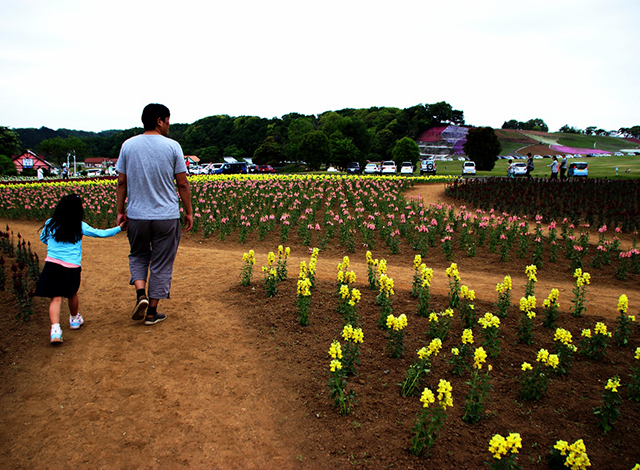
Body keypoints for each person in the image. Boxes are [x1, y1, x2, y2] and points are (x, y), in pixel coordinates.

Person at [116, 103, 193, 326]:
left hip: (137, 215)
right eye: (168, 121)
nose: (169, 125)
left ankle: (141, 294)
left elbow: (122, 182)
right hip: (166, 215)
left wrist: (121, 211)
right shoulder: (172, 147)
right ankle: (152, 312)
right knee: (161, 262)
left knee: (138, 254)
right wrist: (188, 211)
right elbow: (183, 184)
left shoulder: (128, 146)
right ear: (159, 121)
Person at [34, 194, 125, 344]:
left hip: (52, 264)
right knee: (71, 293)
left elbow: (43, 238)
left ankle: (55, 331)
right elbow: (99, 233)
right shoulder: (79, 225)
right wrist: (119, 228)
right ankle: (74, 320)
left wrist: (53, 247)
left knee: (55, 298)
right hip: (71, 266)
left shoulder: (50, 223)